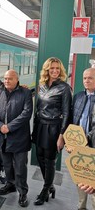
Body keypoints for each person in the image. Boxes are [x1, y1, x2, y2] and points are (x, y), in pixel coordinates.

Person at [32, 57, 72, 205]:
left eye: (57, 68)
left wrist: (62, 136)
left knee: (49, 161)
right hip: (40, 126)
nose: (55, 71)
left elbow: (67, 113)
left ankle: (45, 190)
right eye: (52, 68)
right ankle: (50, 186)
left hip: (54, 128)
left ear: (60, 70)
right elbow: (38, 107)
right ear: (47, 70)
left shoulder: (65, 88)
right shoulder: (41, 85)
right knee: (40, 157)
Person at [0, 69, 33, 208]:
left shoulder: (25, 93)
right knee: (7, 164)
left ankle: (22, 192)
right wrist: (0, 125)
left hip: (19, 137)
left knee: (20, 167)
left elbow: (26, 113)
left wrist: (9, 127)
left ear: (17, 79)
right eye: (5, 78)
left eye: (10, 78)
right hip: (2, 136)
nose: (7, 81)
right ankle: (10, 184)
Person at [71, 68, 95, 209]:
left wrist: (85, 138)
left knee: (92, 183)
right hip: (79, 147)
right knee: (80, 179)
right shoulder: (78, 96)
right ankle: (81, 207)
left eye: (90, 78)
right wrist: (70, 141)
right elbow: (74, 121)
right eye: (85, 78)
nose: (87, 80)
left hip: (92, 147)